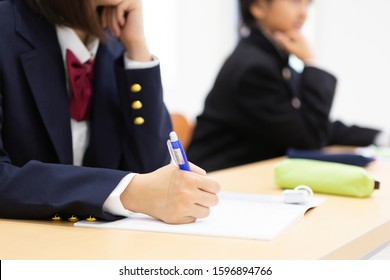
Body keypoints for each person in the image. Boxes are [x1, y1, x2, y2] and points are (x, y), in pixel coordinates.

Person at [0, 0, 220, 224]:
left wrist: (137, 48)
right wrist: (129, 191)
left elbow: (154, 173)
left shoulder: (115, 43)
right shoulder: (6, 26)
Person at [187, 0, 387, 172]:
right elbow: (309, 140)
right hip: (223, 182)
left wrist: (380, 137)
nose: (304, 13)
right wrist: (310, 62)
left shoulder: (272, 58)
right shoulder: (254, 67)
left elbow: (311, 123)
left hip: (248, 178)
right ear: (258, 7)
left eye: (307, 3)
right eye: (294, 1)